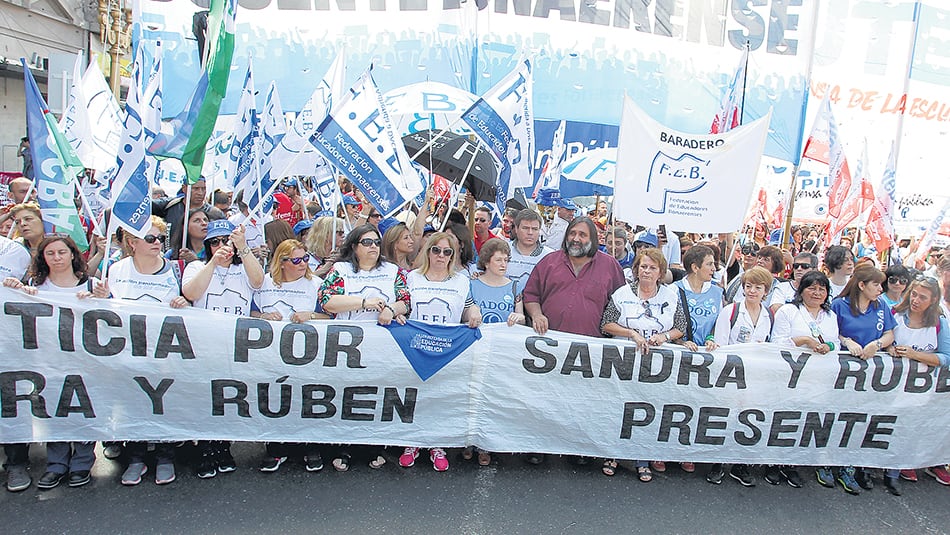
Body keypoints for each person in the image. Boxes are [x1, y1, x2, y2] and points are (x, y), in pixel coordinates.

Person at [92, 216, 189, 486]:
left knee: (162, 404)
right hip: (127, 352)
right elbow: (109, 308)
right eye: (150, 239)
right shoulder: (116, 268)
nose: (157, 243)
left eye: (161, 238)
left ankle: (164, 456)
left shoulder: (175, 270)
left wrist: (183, 301)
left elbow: (190, 304)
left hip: (164, 353)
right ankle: (135, 457)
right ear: (133, 243)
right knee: (132, 403)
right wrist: (103, 299)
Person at [2, 236, 98, 492]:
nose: (57, 258)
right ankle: (56, 464)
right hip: (48, 363)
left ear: (72, 255)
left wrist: (102, 298)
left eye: (62, 252)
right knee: (55, 410)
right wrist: (13, 288)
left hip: (86, 362)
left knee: (87, 409)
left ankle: (82, 462)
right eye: (50, 253)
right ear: (43, 258)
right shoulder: (34, 286)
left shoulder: (92, 284)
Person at [319, 224, 411, 471]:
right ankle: (344, 447)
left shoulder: (393, 271)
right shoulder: (341, 270)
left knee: (374, 395)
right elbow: (328, 301)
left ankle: (373, 445)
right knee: (346, 395)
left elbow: (405, 301)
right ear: (354, 246)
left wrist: (392, 309)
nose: (373, 247)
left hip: (382, 344)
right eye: (367, 242)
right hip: (347, 346)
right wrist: (364, 303)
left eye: (376, 242)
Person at [181, 220, 264, 479]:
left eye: (226, 241)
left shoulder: (243, 267)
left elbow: (258, 281)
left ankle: (223, 447)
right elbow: (191, 292)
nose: (221, 246)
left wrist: (243, 248)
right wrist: (212, 263)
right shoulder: (197, 266)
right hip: (204, 343)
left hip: (236, 344)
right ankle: (204, 448)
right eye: (215, 242)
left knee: (229, 397)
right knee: (205, 397)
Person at [600, 247, 692, 481]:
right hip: (624, 363)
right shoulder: (622, 293)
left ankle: (642, 458)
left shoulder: (671, 296)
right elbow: (606, 324)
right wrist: (631, 333)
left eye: (652, 267)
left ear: (661, 272)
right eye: (643, 266)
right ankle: (613, 454)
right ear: (636, 269)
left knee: (646, 411)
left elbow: (680, 326)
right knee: (619, 407)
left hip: (657, 366)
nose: (647, 271)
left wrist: (664, 337)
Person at [400, 232, 482, 471]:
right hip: (415, 347)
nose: (441, 255)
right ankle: (412, 442)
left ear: (453, 255)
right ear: (427, 251)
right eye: (436, 250)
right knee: (416, 397)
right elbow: (403, 304)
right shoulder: (412, 278)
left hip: (448, 349)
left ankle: (437, 444)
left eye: (447, 252)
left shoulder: (461, 281)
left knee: (441, 398)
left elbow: (468, 307)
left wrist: (474, 313)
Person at [252, 239, 330, 473]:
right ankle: (276, 447)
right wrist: (262, 317)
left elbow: (332, 316)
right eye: (296, 260)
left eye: (305, 259)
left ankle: (309, 445)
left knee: (307, 398)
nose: (303, 264)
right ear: (282, 262)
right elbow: (250, 310)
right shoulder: (264, 283)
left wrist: (311, 316)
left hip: (307, 353)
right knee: (276, 398)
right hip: (271, 354)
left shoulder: (316, 284)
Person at [702, 266, 774, 487]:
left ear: (766, 291)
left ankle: (740, 464)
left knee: (748, 421)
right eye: (748, 286)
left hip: (756, 378)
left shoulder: (768, 315)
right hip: (731, 376)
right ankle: (717, 462)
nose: (752, 291)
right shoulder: (731, 311)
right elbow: (722, 345)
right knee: (726, 418)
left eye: (757, 287)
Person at [827, 264, 896, 495]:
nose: (880, 288)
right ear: (861, 285)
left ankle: (850, 465)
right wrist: (847, 341)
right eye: (876, 284)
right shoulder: (839, 305)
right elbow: (829, 330)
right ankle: (827, 462)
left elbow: (889, 333)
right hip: (842, 372)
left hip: (871, 374)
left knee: (860, 419)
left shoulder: (881, 306)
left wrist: (877, 344)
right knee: (836, 416)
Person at [885, 277, 950, 492]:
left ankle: (895, 471)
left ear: (933, 300)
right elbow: (883, 339)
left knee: (909, 426)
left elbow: (945, 357)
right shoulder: (894, 314)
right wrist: (890, 349)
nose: (915, 300)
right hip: (890, 384)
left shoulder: (939, 322)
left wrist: (916, 355)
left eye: (922, 297)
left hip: (920, 387)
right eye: (914, 294)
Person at [676, 244, 724, 347]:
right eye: (709, 264)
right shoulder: (674, 290)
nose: (714, 269)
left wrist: (710, 339)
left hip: (705, 356)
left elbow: (717, 324)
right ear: (695, 267)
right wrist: (681, 342)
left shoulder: (717, 293)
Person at [506, 209, 554, 294]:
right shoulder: (503, 249)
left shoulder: (551, 256)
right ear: (516, 229)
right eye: (525, 228)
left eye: (535, 229)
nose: (530, 233)